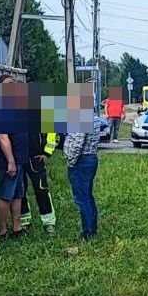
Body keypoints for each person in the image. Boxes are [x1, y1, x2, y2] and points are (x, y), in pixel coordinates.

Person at [0, 74, 29, 240]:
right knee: (5, 195)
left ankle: (17, 227)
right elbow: (2, 136)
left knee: (17, 194)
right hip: (8, 160)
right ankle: (2, 231)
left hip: (19, 158)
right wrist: (11, 161)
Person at [64, 102, 101, 241]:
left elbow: (78, 143)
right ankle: (92, 227)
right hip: (91, 157)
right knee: (88, 195)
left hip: (81, 160)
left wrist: (71, 161)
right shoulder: (95, 118)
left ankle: (87, 232)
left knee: (81, 198)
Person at [21, 129, 59, 234]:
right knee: (20, 191)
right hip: (19, 158)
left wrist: (47, 153)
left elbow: (52, 132)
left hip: (36, 158)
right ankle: (24, 221)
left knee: (42, 190)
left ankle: (49, 222)